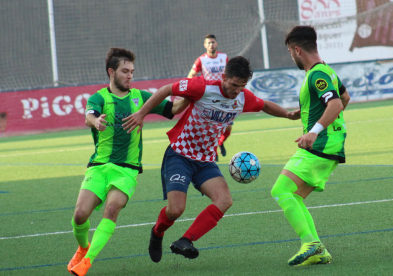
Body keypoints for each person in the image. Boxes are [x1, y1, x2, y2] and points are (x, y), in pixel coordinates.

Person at [122, 56, 301, 262]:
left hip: (205, 161)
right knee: (176, 210)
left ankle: (185, 240)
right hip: (180, 154)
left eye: (241, 86)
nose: (236, 91)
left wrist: (287, 115)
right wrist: (141, 114)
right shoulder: (202, 87)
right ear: (224, 77)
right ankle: (157, 233)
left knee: (224, 200)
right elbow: (166, 90)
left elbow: (264, 105)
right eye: (234, 85)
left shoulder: (242, 97)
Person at [67, 48, 188, 276]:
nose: (130, 76)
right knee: (80, 215)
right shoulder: (99, 97)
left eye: (132, 71)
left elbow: (174, 109)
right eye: (125, 71)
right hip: (99, 167)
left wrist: (188, 95)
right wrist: (95, 122)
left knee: (112, 209)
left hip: (127, 170)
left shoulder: (140, 97)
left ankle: (87, 262)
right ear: (111, 72)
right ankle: (83, 248)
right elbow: (88, 116)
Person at [270, 25, 351, 266]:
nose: (291, 56)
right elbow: (345, 98)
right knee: (293, 195)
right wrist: (307, 115)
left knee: (280, 190)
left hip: (322, 145)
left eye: (289, 52)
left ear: (297, 50)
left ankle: (311, 244)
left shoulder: (316, 74)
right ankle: (317, 249)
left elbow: (336, 104)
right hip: (331, 144)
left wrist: (315, 131)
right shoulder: (327, 71)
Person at [187, 34, 231, 160]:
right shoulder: (201, 60)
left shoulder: (224, 57)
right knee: (212, 127)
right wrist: (190, 87)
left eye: (213, 42)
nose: (211, 45)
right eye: (209, 43)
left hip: (224, 95)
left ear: (216, 44)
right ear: (205, 45)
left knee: (228, 127)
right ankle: (214, 151)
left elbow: (229, 73)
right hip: (209, 97)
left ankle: (220, 143)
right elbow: (191, 75)